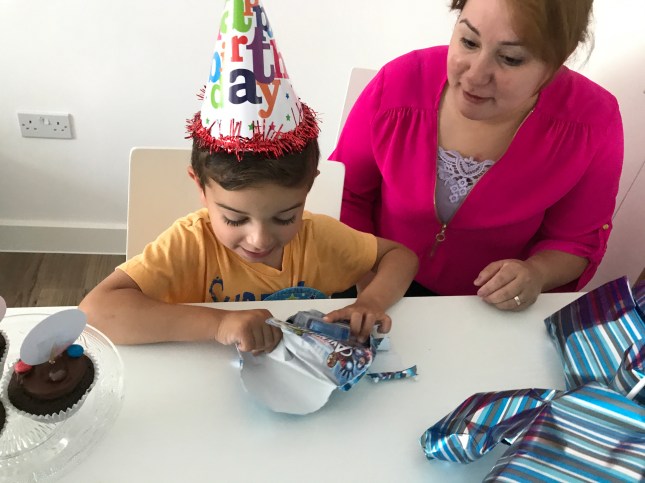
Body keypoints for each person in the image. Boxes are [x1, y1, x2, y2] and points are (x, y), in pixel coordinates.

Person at [79, 0, 418, 353]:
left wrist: (371, 301)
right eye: (235, 218)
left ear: (308, 187)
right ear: (200, 186)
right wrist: (218, 324)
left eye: (285, 217)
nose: (259, 239)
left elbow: (400, 257)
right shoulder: (190, 246)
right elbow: (95, 312)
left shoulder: (319, 240)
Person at [331, 0, 623, 311]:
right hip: (368, 277)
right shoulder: (398, 82)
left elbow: (576, 242)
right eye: (469, 42)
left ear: (558, 60)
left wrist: (536, 273)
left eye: (510, 59)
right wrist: (371, 287)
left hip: (487, 309)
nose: (475, 76)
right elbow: (346, 194)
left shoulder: (593, 124)